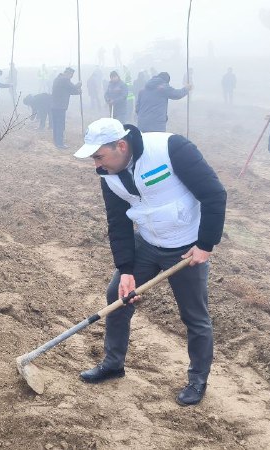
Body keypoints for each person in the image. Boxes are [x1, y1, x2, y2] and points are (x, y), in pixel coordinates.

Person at [73, 118, 226, 406]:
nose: (96, 165)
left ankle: (197, 380)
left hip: (185, 249)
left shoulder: (171, 148)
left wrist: (205, 244)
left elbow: (214, 194)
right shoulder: (109, 174)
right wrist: (127, 269)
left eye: (98, 156)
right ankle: (113, 364)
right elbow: (117, 223)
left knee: (194, 316)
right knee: (117, 297)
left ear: (121, 145)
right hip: (146, 244)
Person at [51, 67, 82, 149]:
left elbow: (68, 90)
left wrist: (78, 92)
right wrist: (79, 84)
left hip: (54, 105)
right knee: (60, 125)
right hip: (60, 106)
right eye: (71, 75)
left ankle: (56, 141)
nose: (71, 77)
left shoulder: (58, 79)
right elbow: (73, 87)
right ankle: (60, 144)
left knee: (56, 125)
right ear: (68, 73)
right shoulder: (64, 80)